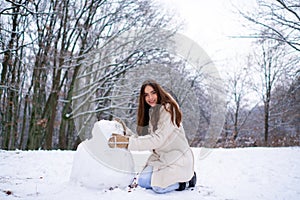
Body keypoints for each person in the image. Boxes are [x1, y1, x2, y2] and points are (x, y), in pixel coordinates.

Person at [108, 79, 196, 194]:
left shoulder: (168, 109)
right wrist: (126, 133)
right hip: (162, 159)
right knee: (143, 181)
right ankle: (176, 178)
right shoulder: (152, 112)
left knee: (159, 187)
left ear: (159, 92)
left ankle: (188, 181)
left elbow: (157, 140)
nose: (150, 97)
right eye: (146, 95)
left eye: (153, 92)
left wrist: (127, 142)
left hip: (177, 159)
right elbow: (147, 140)